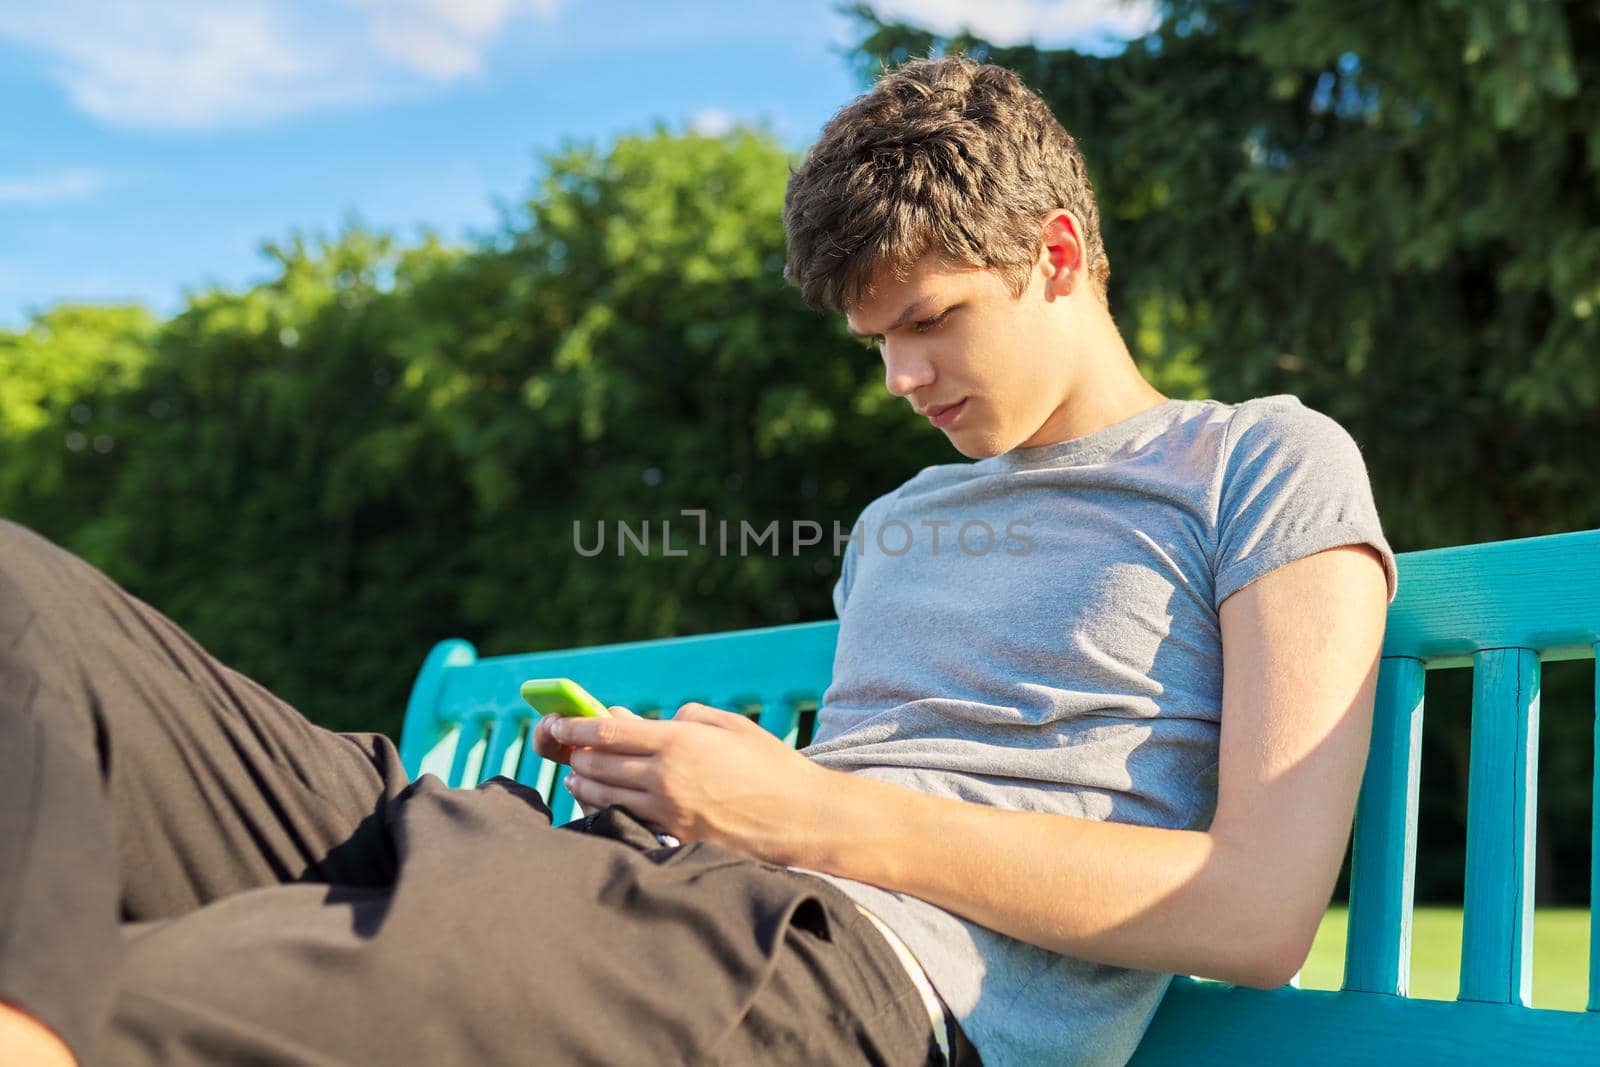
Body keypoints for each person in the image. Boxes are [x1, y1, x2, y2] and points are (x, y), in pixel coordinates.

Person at [0, 53, 1397, 1067]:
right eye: (877, 346)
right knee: (21, 600)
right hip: (617, 876)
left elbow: (1256, 912)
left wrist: (788, 810)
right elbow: (856, 770)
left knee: (135, 1003)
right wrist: (695, 783)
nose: (903, 378)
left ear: (1057, 251)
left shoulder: (1258, 461)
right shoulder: (899, 519)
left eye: (933, 321)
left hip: (836, 972)